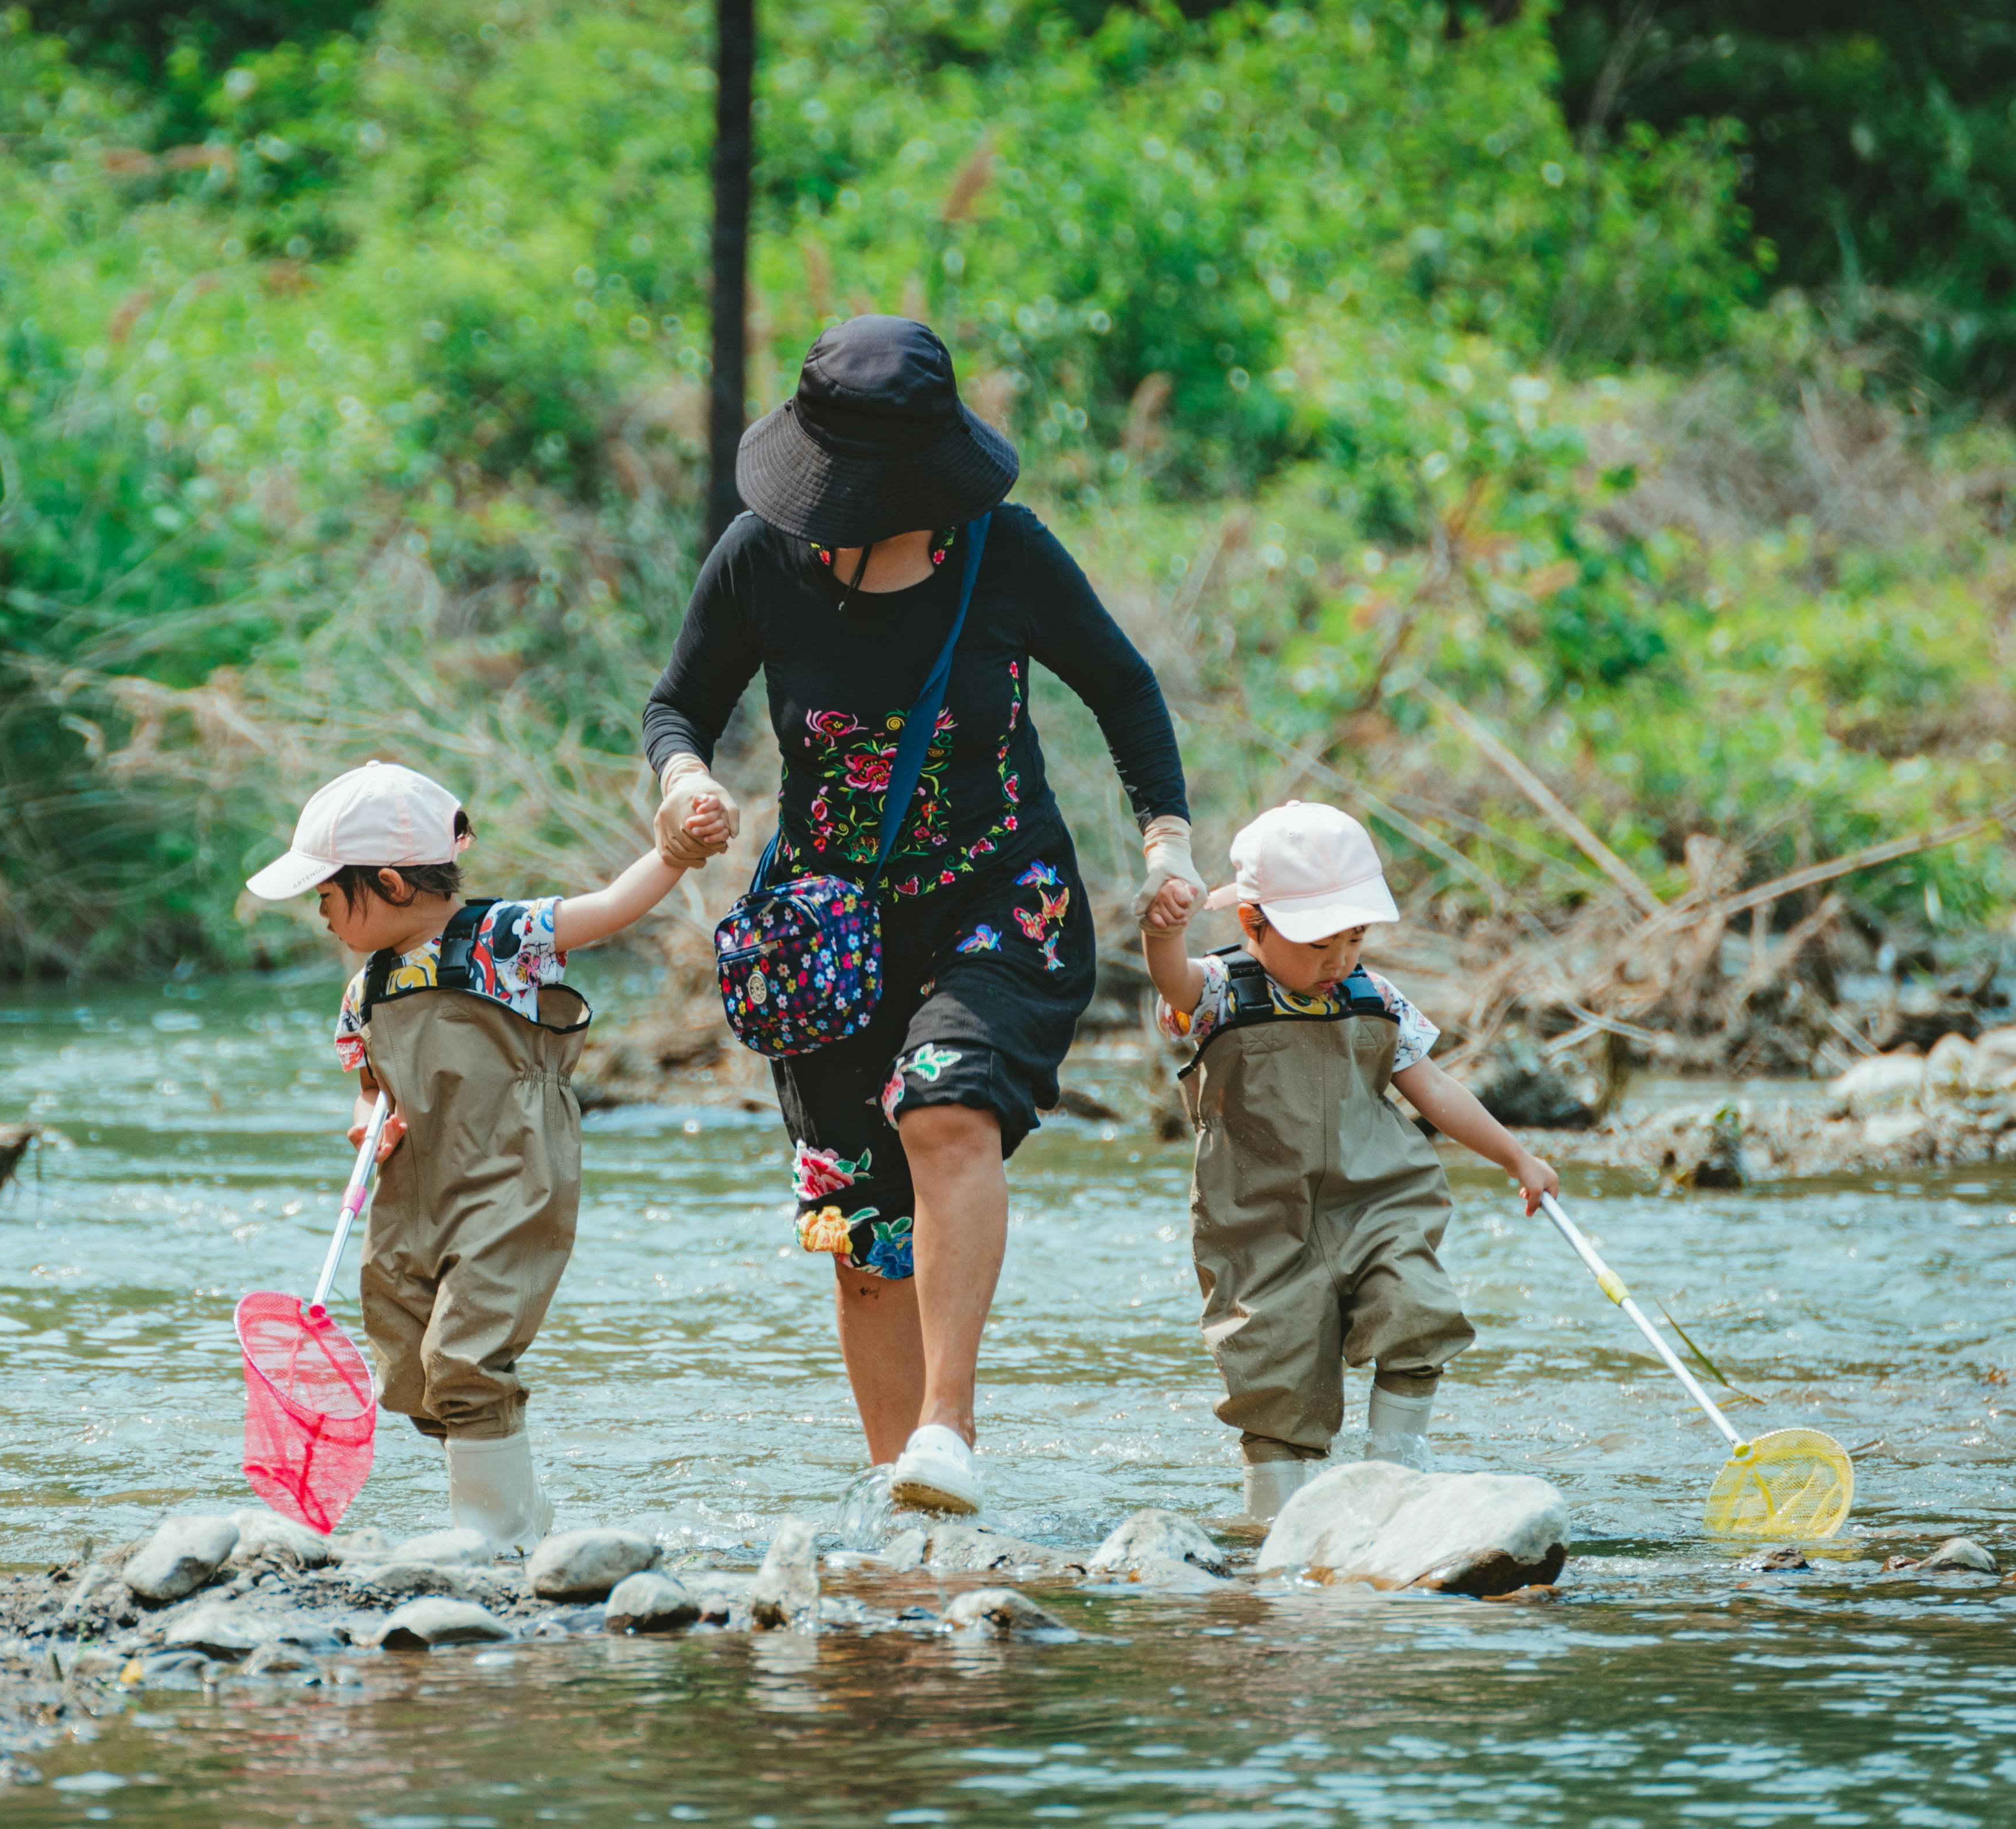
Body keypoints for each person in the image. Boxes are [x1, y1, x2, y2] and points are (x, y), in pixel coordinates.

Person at [647, 315, 1200, 1515]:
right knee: (858, 1221)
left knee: (944, 1105)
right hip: (829, 934)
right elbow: (677, 705)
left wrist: (1167, 835)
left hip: (999, 894)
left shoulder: (1004, 553)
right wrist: (686, 779)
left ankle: (950, 1426)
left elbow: (1123, 686)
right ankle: (902, 1489)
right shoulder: (759, 557)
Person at [246, 761, 708, 1551]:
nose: (319, 913)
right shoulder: (367, 989)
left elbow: (604, 909)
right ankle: (521, 1504)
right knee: (408, 1358)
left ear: (390, 884)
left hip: (511, 1167)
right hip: (411, 1185)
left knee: (466, 1346)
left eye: (327, 894)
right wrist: (367, 1116)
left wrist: (672, 853)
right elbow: (369, 1079)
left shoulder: (504, 939)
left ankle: (486, 1532)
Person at [1139, 800, 1559, 1520]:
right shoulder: (1217, 992)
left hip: (1377, 1201)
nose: (1339, 961)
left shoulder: (1377, 998)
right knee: (1275, 1377)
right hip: (1261, 1225)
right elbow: (1171, 983)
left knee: (1416, 1307)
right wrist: (1162, 936)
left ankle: (1395, 1481)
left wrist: (1516, 1156)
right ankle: (1274, 1531)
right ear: (1252, 923)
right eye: (1318, 945)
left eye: (1354, 939)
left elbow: (1435, 1088)